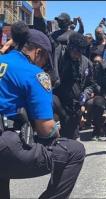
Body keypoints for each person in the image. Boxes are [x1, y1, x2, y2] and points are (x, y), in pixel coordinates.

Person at [0, 29, 85, 198]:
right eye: (46, 59)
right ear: (38, 52)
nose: (45, 64)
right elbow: (46, 130)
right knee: (75, 151)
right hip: (5, 144)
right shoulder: (35, 74)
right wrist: (55, 131)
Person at [53, 32, 98, 140]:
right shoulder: (59, 55)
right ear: (69, 47)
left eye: (81, 51)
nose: (78, 54)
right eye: (76, 51)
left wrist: (85, 95)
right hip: (57, 103)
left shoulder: (87, 63)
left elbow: (92, 84)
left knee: (71, 139)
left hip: (74, 106)